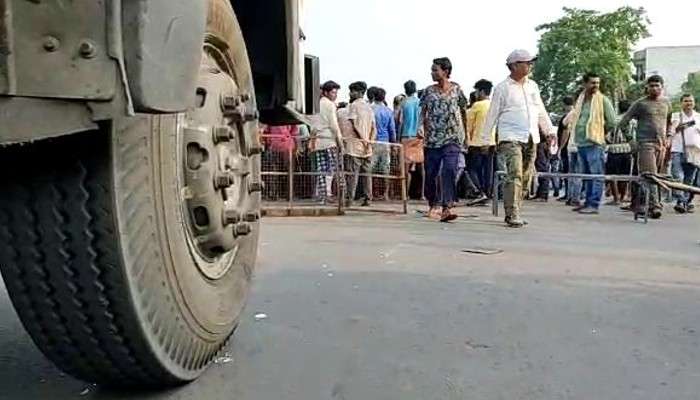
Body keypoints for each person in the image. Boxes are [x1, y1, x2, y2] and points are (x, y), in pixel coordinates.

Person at [481, 49, 555, 227]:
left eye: (531, 63)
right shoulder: (502, 88)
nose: (530, 66)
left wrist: (549, 131)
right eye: (526, 62)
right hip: (509, 137)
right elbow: (492, 114)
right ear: (514, 65)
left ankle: (515, 209)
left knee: (526, 176)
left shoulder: (533, 86)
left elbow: (540, 111)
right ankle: (512, 212)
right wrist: (485, 139)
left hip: (531, 136)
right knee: (514, 174)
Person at [420, 57, 468, 222]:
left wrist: (465, 135)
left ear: (445, 71)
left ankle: (447, 207)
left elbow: (463, 112)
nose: (432, 73)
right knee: (431, 173)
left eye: (435, 70)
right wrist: (420, 128)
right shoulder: (428, 91)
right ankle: (433, 204)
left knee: (449, 170)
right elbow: (423, 112)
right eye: (432, 70)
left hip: (452, 137)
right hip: (432, 138)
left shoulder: (457, 90)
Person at [619, 75, 673, 219]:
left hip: (661, 145)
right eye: (651, 86)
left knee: (658, 177)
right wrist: (631, 141)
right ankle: (655, 206)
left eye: (657, 85)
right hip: (645, 144)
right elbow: (623, 123)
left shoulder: (667, 102)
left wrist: (668, 136)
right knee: (651, 175)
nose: (654, 88)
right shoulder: (640, 104)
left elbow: (669, 121)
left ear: (662, 87)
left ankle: (643, 203)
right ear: (647, 88)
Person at [563, 73, 617, 214]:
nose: (596, 86)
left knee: (596, 174)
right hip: (581, 142)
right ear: (585, 84)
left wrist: (600, 132)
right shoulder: (581, 100)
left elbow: (612, 121)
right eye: (593, 83)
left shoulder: (603, 100)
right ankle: (587, 202)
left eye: (597, 83)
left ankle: (593, 204)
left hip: (595, 142)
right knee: (587, 175)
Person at [344, 81, 377, 207]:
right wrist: (369, 142)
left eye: (352, 91)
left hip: (355, 146)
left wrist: (363, 140)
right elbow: (374, 128)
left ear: (359, 92)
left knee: (353, 175)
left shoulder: (353, 106)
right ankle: (368, 198)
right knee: (366, 175)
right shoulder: (369, 107)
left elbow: (355, 125)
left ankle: (349, 199)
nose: (350, 93)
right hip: (367, 147)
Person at [312, 81, 344, 204]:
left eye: (336, 92)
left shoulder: (316, 105)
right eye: (333, 92)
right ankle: (340, 195)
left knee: (321, 170)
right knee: (336, 169)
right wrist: (340, 141)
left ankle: (322, 196)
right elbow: (334, 125)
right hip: (330, 141)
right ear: (325, 92)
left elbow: (313, 126)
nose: (335, 95)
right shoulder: (330, 105)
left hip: (319, 141)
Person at [669, 94, 700, 214]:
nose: (689, 103)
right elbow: (672, 128)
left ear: (694, 103)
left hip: (694, 151)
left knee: (690, 178)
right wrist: (679, 127)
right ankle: (681, 200)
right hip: (677, 150)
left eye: (691, 101)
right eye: (686, 101)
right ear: (681, 103)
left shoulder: (698, 117)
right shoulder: (676, 116)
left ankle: (684, 202)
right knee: (678, 176)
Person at [466, 79, 495, 202]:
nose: (476, 94)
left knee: (471, 169)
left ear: (482, 91)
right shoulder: (494, 105)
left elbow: (468, 125)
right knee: (488, 170)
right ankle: (487, 193)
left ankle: (479, 192)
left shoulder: (477, 105)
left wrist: (467, 140)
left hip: (477, 142)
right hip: (491, 142)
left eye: (477, 91)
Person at [606, 100, 635, 206]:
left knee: (612, 175)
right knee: (625, 174)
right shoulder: (633, 122)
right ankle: (623, 196)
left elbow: (607, 137)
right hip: (627, 149)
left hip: (614, 150)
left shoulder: (613, 120)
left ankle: (616, 198)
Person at [398, 80, 424, 199]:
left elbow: (400, 122)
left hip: (406, 137)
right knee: (421, 168)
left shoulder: (403, 103)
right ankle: (423, 194)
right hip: (418, 137)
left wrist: (398, 139)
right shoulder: (420, 102)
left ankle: (405, 194)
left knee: (406, 169)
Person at [371, 88, 397, 201]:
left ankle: (374, 192)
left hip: (373, 141)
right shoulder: (388, 111)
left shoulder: (371, 109)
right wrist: (394, 143)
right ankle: (385, 194)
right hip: (385, 142)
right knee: (385, 169)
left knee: (372, 169)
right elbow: (392, 129)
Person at [556, 96, 577, 203]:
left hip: (568, 146)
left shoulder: (569, 116)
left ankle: (570, 194)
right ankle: (570, 194)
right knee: (571, 171)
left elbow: (566, 132)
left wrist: (561, 147)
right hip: (574, 146)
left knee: (568, 171)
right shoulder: (576, 113)